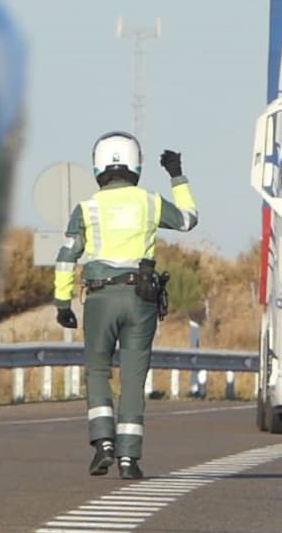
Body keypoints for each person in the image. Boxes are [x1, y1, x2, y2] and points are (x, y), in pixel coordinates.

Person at [52, 131, 199, 480]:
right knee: (133, 380)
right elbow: (189, 220)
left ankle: (103, 442)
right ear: (136, 165)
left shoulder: (86, 208)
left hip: (101, 298)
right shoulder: (150, 202)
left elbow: (65, 257)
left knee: (98, 371)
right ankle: (129, 459)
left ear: (98, 166)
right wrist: (177, 175)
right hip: (140, 299)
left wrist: (62, 302)